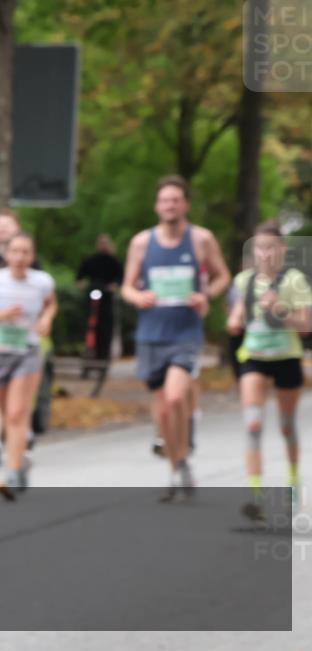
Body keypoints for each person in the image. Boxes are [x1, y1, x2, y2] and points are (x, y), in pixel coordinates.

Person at [121, 175, 230, 502]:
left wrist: (206, 294)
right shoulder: (142, 243)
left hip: (185, 332)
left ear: (185, 204)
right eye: (165, 200)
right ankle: (177, 465)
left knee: (174, 396)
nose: (170, 205)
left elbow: (222, 275)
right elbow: (127, 285)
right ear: (157, 206)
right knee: (165, 412)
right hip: (151, 333)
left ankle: (181, 452)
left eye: (176, 200)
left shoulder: (200, 239)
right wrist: (137, 298)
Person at [226, 222, 310, 520]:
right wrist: (234, 322)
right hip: (255, 358)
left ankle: (293, 481)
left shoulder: (294, 280)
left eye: (271, 247)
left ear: (282, 250)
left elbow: (307, 326)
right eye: (260, 248)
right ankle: (256, 496)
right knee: (253, 425)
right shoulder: (243, 281)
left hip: (286, 357)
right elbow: (236, 316)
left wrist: (282, 311)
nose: (265, 254)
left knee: (286, 426)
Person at [0, 233, 57, 501]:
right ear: (7, 255)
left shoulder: (42, 282)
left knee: (17, 414)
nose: (20, 257)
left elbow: (52, 305)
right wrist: (0, 315)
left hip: (27, 352)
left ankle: (12, 472)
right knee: (8, 414)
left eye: (26, 252)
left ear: (32, 256)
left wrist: (46, 320)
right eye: (15, 251)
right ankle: (20, 463)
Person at [0, 209, 42, 466]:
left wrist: (44, 320)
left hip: (25, 339)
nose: (1, 229)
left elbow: (44, 298)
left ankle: (20, 434)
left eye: (6, 225)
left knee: (19, 394)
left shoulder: (30, 262)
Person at [76, 233, 123, 362]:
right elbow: (80, 276)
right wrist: (82, 284)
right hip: (92, 296)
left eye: (105, 243)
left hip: (106, 297)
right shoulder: (91, 260)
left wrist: (114, 286)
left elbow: (120, 278)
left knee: (106, 325)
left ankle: (104, 354)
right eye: (101, 243)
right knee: (89, 323)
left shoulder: (114, 261)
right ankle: (89, 350)